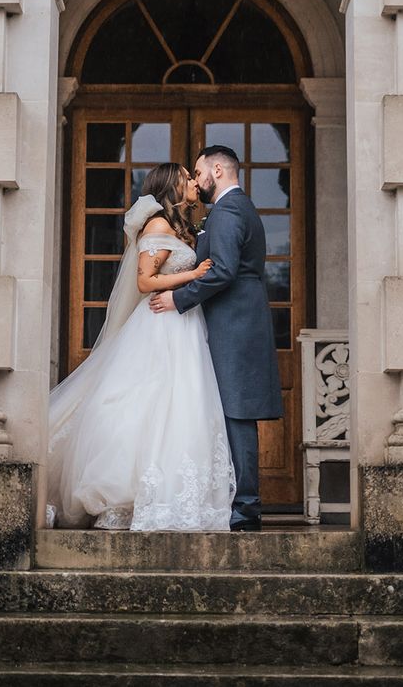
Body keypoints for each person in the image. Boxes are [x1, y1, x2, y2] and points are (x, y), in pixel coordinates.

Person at [47, 163, 236, 531]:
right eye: (186, 177)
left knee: (183, 404)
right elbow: (146, 281)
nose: (194, 182)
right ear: (172, 186)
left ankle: (174, 497)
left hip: (183, 326)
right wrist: (194, 274)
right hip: (159, 325)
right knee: (149, 402)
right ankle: (125, 499)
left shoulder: (179, 228)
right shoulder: (158, 226)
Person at [149, 146, 282, 532]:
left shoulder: (228, 211)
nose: (195, 179)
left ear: (218, 169)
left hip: (235, 325)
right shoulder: (233, 209)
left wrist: (178, 298)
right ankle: (237, 504)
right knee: (227, 414)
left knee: (237, 415)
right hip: (233, 322)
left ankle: (245, 511)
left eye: (198, 171)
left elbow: (223, 271)